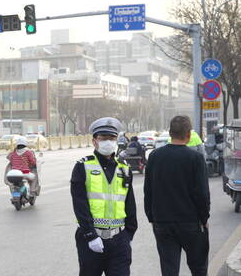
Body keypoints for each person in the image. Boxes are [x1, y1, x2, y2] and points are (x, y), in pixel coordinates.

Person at [70, 117, 137, 276]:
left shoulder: (124, 168)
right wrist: (90, 235)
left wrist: (129, 233)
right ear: (94, 141)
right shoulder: (83, 166)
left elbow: (129, 203)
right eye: (103, 138)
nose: (108, 142)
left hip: (119, 239)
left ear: (116, 140)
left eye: (112, 138)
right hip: (92, 239)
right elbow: (80, 204)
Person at [144, 116, 210, 276]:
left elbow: (148, 191)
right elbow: (202, 193)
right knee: (199, 268)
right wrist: (204, 219)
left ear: (170, 133)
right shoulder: (195, 158)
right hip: (191, 223)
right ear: (188, 134)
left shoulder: (154, 156)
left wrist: (152, 218)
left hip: (162, 223)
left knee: (169, 270)